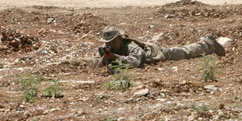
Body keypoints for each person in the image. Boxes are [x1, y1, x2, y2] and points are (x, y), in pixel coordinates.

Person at [93, 26, 228, 72]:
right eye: (108, 42)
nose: (110, 44)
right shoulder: (106, 49)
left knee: (183, 52)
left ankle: (208, 44)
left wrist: (115, 58)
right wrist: (104, 59)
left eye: (113, 41)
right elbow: (93, 64)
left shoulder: (130, 46)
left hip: (155, 52)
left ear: (120, 39)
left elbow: (135, 62)